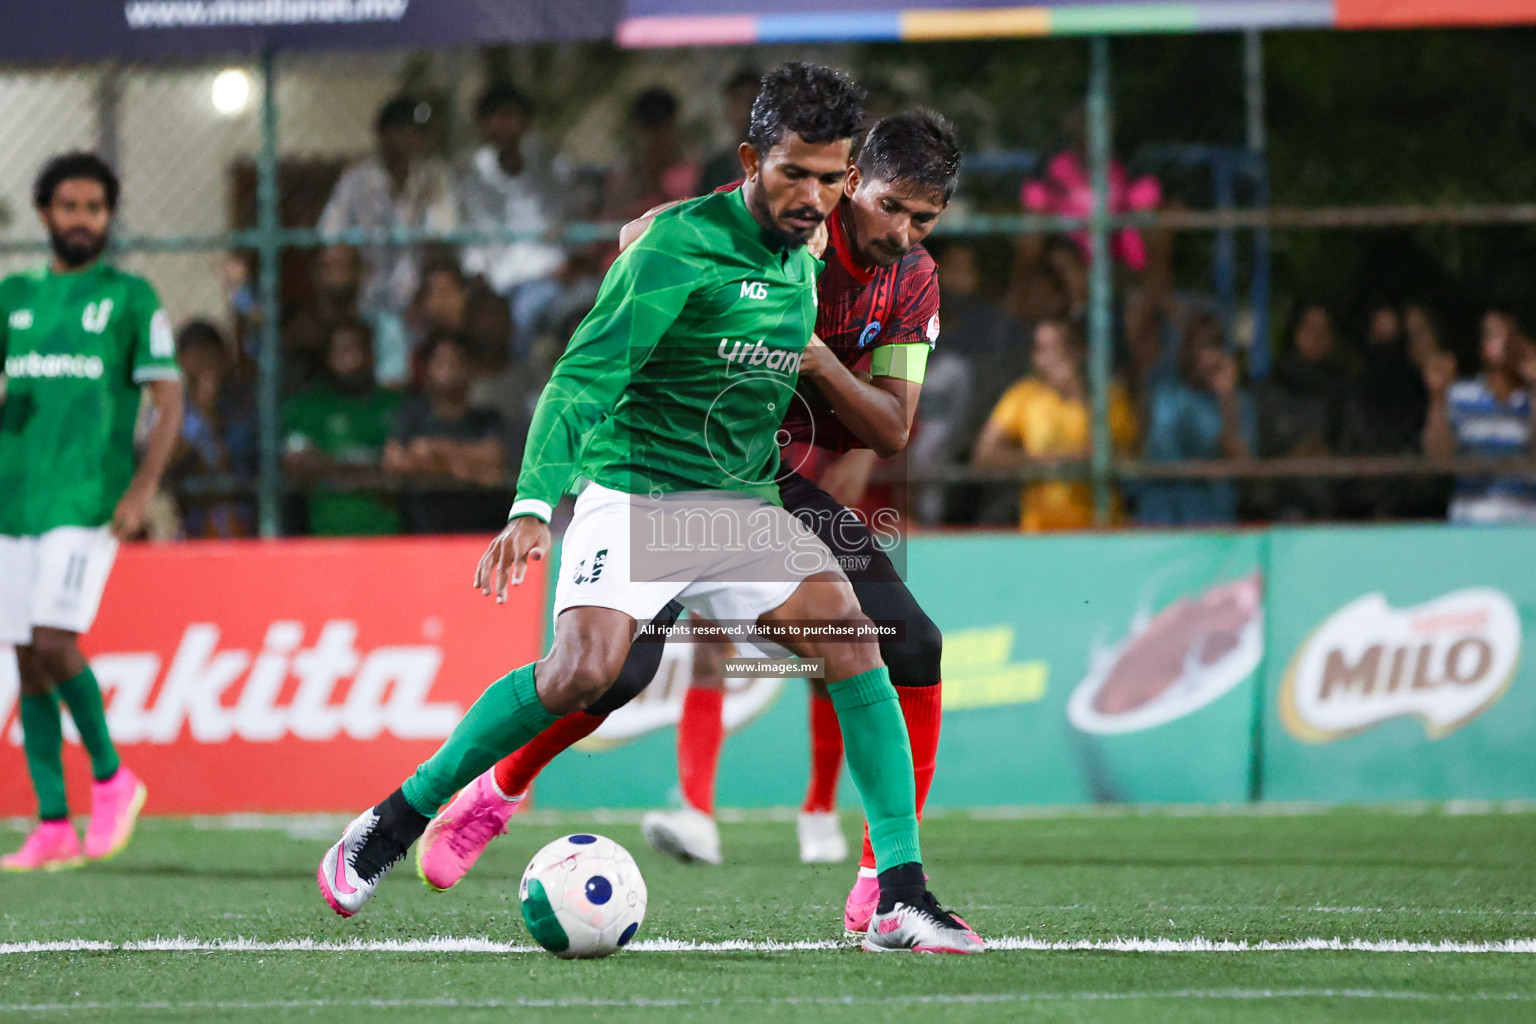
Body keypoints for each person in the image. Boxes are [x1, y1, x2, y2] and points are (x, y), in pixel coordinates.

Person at [316, 64, 982, 954]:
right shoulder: (676, 247)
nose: (815, 198)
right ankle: (394, 822)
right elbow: (579, 378)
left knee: (853, 634)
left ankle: (898, 891)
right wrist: (529, 506)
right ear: (752, 160)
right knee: (585, 674)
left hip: (741, 499)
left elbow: (879, 416)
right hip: (635, 491)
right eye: (796, 175)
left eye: (829, 179)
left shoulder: (816, 251)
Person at [0, 152, 184, 871]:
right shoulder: (13, 295)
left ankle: (111, 778)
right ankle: (51, 821)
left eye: (96, 208)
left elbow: (167, 401)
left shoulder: (131, 297)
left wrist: (140, 491)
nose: (83, 219)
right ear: (46, 213)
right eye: (70, 206)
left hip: (86, 502)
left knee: (52, 640)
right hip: (14, 501)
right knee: (24, 654)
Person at [971, 319, 1138, 530]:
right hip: (1041, 532)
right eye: (1043, 349)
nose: (1054, 357)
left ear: (1078, 351)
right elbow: (984, 454)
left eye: (1062, 347)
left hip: (1099, 529)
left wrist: (1086, 459)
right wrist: (1041, 462)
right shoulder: (1025, 395)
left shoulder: (1107, 396)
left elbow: (1129, 455)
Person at [318, 95, 457, 318]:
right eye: (401, 131)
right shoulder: (357, 180)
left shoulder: (434, 177)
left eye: (413, 132)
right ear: (383, 134)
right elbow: (330, 231)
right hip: (368, 289)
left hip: (421, 295)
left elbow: (442, 231)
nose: (408, 140)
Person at [456, 82, 569, 348]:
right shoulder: (472, 175)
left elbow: (564, 224)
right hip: (492, 282)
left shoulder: (550, 167)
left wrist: (560, 264)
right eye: (492, 117)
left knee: (523, 318)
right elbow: (470, 239)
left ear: (525, 121)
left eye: (508, 116)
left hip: (544, 278)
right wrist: (478, 275)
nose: (501, 126)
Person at [281, 318, 402, 536]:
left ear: (371, 354)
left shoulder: (395, 405)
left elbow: (403, 470)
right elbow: (298, 466)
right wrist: (370, 474)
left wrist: (331, 468)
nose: (351, 359)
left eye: (357, 349)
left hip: (387, 537)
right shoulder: (308, 406)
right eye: (341, 350)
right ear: (327, 357)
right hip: (324, 539)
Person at [384, 331, 509, 535]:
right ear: (426, 370)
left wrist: (432, 451)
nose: (448, 368)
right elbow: (395, 462)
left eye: (456, 361)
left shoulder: (487, 418)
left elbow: (494, 460)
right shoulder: (410, 417)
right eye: (440, 361)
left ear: (471, 370)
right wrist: (465, 469)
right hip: (421, 532)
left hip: (479, 533)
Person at [1137, 311, 1255, 525]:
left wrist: (1226, 396)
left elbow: (1243, 463)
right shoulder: (1162, 391)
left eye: (1212, 345)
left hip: (1211, 515)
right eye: (1196, 344)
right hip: (1159, 514)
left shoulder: (1239, 402)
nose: (1203, 355)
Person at [1423, 309, 1536, 523]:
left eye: (1510, 336)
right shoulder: (1461, 394)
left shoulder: (1529, 400)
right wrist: (1438, 398)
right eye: (1493, 334)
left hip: (1526, 524)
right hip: (1472, 520)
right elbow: (1437, 458)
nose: (1505, 344)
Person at [168, 320, 257, 539]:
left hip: (245, 518)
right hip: (193, 521)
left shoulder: (244, 404)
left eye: (209, 355)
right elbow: (168, 462)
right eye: (194, 356)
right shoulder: (171, 410)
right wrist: (201, 412)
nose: (203, 365)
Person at [700, 69, 762, 193]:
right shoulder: (716, 168)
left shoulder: (774, 162)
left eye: (752, 101)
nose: (745, 110)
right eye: (738, 101)